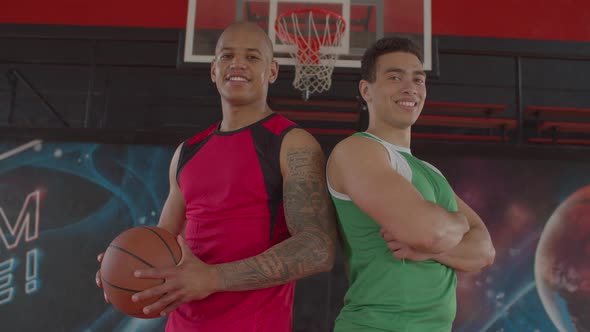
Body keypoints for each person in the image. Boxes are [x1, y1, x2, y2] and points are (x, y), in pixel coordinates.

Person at [95, 22, 338, 332]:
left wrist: (212, 277)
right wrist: (125, 266)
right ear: (213, 69)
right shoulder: (187, 152)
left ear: (272, 71)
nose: (237, 64)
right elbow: (162, 242)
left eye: (252, 57)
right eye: (227, 56)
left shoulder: (291, 143)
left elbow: (317, 248)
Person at [326, 37, 496, 331]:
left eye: (418, 79)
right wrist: (456, 225)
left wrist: (433, 249)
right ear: (366, 90)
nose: (410, 87)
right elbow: (429, 232)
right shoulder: (357, 151)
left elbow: (484, 252)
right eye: (395, 77)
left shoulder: (430, 171)